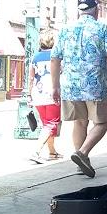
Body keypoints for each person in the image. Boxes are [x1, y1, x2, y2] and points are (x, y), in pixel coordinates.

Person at [50, 0, 107, 178]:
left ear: (79, 10)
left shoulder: (65, 30)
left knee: (80, 122)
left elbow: (55, 58)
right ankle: (82, 153)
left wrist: (55, 86)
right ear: (96, 10)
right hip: (95, 86)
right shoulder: (103, 29)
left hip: (71, 87)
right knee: (102, 122)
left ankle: (80, 163)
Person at [27, 28, 63, 163]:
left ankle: (52, 152)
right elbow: (63, 73)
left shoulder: (35, 57)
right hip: (52, 93)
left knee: (47, 124)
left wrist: (29, 94)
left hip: (38, 94)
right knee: (51, 124)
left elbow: (31, 78)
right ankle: (36, 152)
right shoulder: (57, 56)